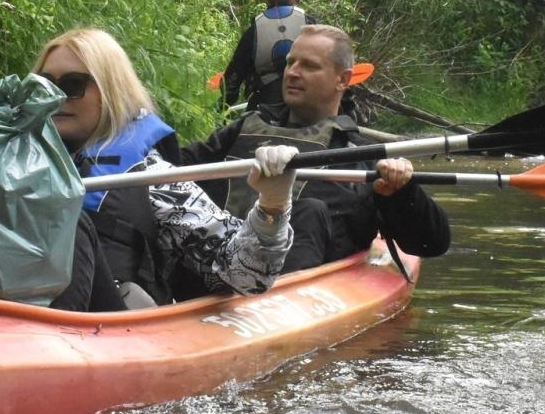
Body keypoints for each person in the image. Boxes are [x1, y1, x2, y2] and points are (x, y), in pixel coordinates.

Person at [31, 28, 300, 311]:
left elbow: (244, 274)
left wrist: (273, 204)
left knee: (71, 223)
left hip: (106, 320)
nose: (56, 97)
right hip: (17, 311)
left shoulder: (152, 177)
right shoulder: (11, 167)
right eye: (44, 85)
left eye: (73, 84)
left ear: (111, 90)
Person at [184, 24, 450, 273]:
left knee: (310, 211)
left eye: (309, 66)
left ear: (342, 79)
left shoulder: (361, 155)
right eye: (290, 63)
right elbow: (176, 168)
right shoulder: (241, 131)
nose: (292, 72)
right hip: (211, 265)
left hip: (293, 284)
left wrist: (403, 192)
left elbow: (432, 244)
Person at [221, 0, 314, 108]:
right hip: (308, 94)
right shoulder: (310, 23)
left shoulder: (254, 30)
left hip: (267, 99)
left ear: (267, 0)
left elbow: (234, 74)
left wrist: (225, 103)